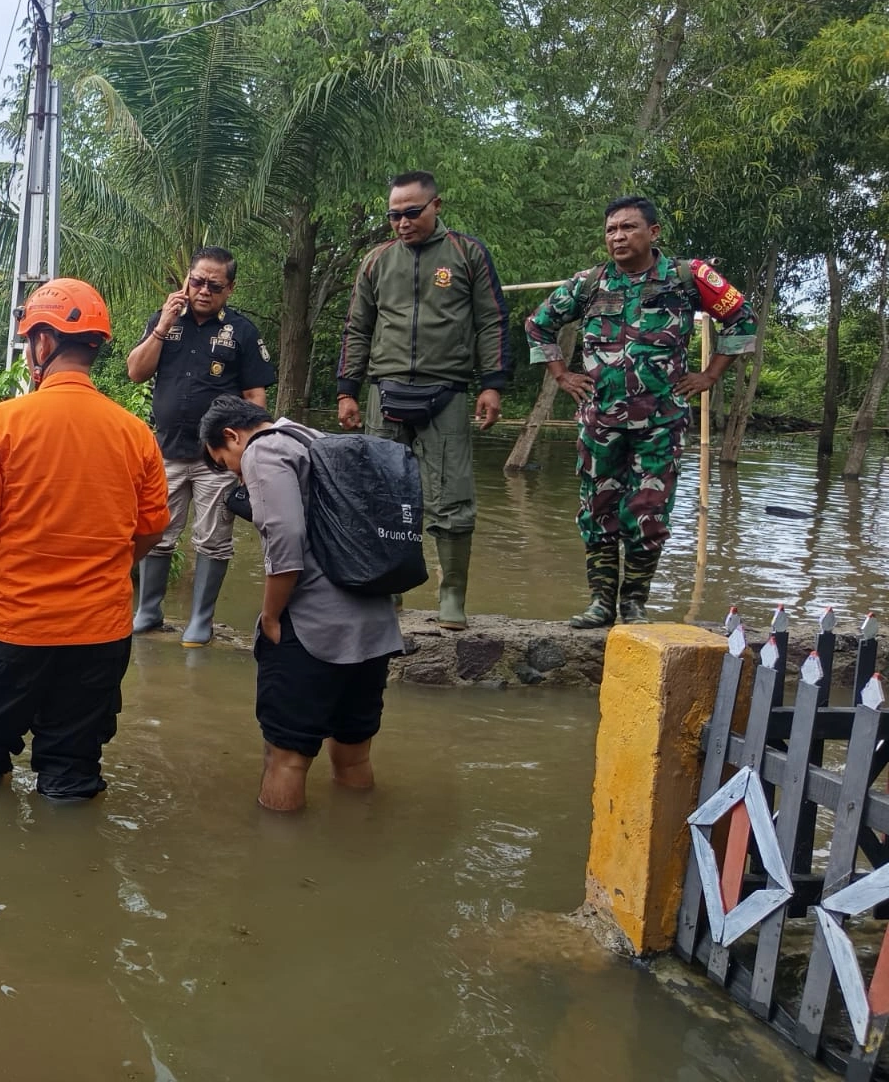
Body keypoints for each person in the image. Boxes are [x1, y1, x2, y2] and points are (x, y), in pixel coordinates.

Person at [0, 278, 169, 799]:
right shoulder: (135, 433)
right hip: (100, 636)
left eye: (28, 342)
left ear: (42, 342)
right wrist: (105, 566)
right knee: (73, 770)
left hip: (12, 631)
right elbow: (151, 529)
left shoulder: (2, 423)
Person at [526, 196, 757, 627]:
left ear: (653, 232)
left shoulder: (687, 278)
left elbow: (742, 318)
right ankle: (600, 604)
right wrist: (562, 375)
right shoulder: (588, 283)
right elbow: (538, 324)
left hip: (661, 423)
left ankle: (633, 604)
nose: (618, 237)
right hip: (600, 421)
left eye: (628, 227)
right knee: (597, 510)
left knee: (648, 512)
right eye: (611, 230)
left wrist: (710, 375)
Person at [199, 395, 404, 812]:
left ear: (232, 436)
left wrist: (271, 616)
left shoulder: (264, 450)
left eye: (224, 462)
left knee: (287, 759)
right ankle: (359, 838)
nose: (234, 473)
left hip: (314, 629)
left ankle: (278, 849)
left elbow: (287, 538)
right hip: (374, 624)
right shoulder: (317, 440)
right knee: (354, 755)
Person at [336, 170, 511, 631]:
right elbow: (357, 327)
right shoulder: (376, 261)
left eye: (412, 212)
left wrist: (492, 384)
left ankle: (451, 595)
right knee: (381, 494)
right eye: (394, 215)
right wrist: (347, 390)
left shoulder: (467, 254)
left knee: (451, 497)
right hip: (385, 389)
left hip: (446, 390)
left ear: (436, 206)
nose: (402, 222)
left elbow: (491, 321)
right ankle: (387, 587)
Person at [126, 247, 276, 646]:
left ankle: (201, 620)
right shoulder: (164, 320)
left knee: (213, 538)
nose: (204, 291)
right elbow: (136, 372)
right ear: (187, 280)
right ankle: (148, 610)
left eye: (214, 285)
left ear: (230, 289)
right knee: (157, 532)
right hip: (166, 450)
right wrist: (163, 325)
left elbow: (254, 397)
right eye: (197, 282)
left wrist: (251, 457)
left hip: (217, 458)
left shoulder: (242, 331)